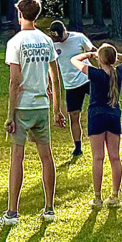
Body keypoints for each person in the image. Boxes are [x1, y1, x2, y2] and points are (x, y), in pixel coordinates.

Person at [0, 0, 61, 225]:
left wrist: (10, 115)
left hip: (22, 106)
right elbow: (55, 76)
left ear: (20, 15)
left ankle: (12, 212)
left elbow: (14, 81)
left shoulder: (16, 42)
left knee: (17, 158)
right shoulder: (46, 40)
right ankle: (49, 208)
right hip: (42, 105)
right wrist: (57, 108)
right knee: (46, 157)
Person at [70, 44, 122, 206]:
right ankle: (115, 195)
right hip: (114, 115)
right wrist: (116, 57)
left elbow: (74, 60)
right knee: (115, 157)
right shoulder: (118, 72)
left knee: (98, 158)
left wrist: (89, 55)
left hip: (96, 116)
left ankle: (98, 197)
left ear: (100, 60)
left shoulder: (95, 73)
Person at [47, 20, 95, 159]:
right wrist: (48, 83)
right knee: (74, 115)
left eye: (60, 37)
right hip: (71, 85)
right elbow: (50, 67)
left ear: (64, 31)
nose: (58, 40)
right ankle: (77, 147)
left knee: (101, 105)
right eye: (55, 38)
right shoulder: (52, 45)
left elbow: (92, 51)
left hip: (87, 79)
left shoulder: (78, 37)